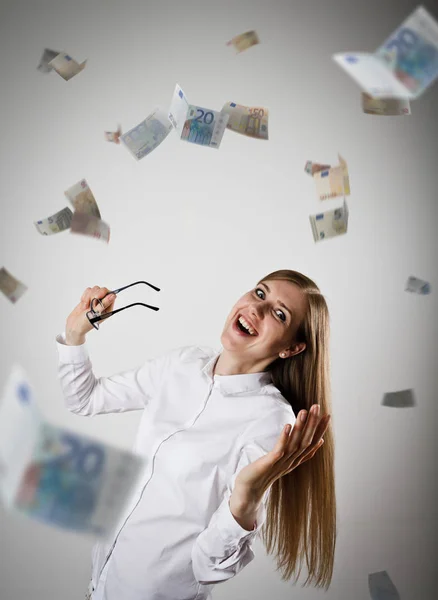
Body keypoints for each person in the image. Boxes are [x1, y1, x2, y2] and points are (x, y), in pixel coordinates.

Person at [56, 269, 336, 600]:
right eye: (260, 293)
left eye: (279, 314)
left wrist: (246, 498)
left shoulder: (272, 423)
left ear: (292, 348)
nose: (257, 310)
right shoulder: (183, 363)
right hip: (99, 587)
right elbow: (85, 399)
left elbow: (208, 567)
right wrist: (75, 335)